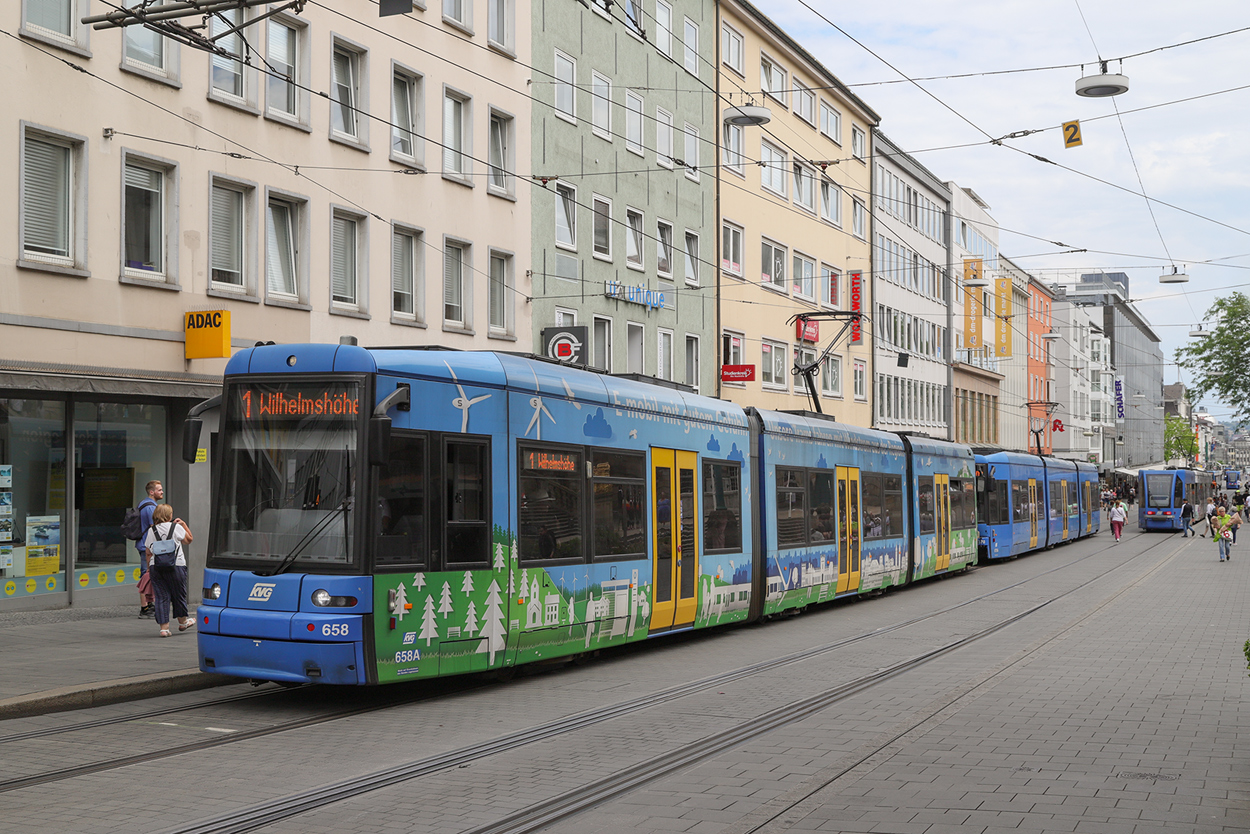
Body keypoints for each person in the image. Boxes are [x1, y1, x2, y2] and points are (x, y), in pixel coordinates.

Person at [143, 504, 194, 637]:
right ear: (169, 515)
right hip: (176, 565)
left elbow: (148, 552)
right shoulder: (176, 527)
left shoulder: (151, 530)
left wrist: (149, 568)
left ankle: (164, 629)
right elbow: (189, 540)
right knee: (179, 594)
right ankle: (183, 622)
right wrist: (183, 524)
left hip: (156, 567)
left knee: (161, 596)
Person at [134, 480, 162, 618]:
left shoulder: (143, 503)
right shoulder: (151, 507)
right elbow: (154, 526)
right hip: (148, 546)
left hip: (143, 544)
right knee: (146, 575)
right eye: (159, 490)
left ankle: (149, 605)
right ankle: (145, 608)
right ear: (152, 492)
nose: (162, 492)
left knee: (148, 575)